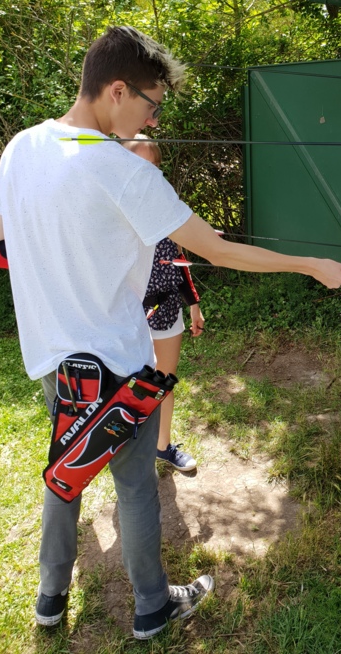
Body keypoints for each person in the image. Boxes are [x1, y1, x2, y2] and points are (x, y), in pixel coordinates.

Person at [0, 25, 341, 640]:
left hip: (55, 364)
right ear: (117, 90)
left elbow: (6, 240)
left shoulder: (21, 147)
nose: (154, 120)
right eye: (152, 104)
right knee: (135, 487)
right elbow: (218, 250)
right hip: (117, 364)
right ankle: (152, 607)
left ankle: (49, 600)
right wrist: (310, 264)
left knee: (67, 469)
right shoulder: (123, 171)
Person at [122, 137, 201, 472]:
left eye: (155, 166)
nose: (150, 174)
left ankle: (161, 446)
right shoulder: (112, 211)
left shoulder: (168, 208)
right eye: (142, 166)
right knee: (130, 386)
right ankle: (127, 453)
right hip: (127, 316)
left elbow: (178, 261)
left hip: (167, 311)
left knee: (163, 383)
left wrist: (193, 304)